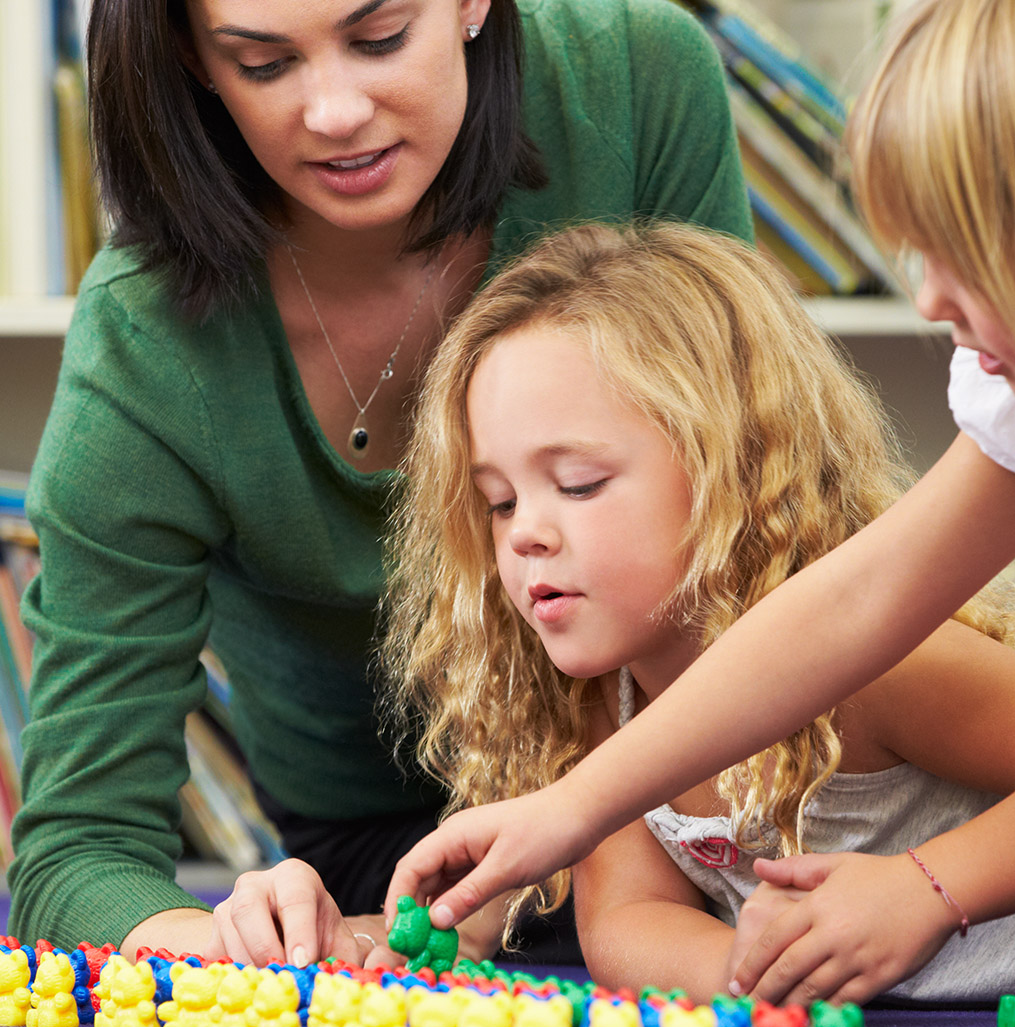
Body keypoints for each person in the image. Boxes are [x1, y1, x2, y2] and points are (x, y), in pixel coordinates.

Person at [386, 0, 1015, 1027]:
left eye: (966, 254)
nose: (925, 297)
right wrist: (567, 809)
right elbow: (856, 604)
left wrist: (954, 900)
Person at [6, 0, 752, 970]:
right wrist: (227, 944)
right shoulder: (145, 345)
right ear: (193, 60)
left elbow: (763, 511)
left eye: (380, 37)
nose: (334, 112)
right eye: (263, 64)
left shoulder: (635, 80)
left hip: (704, 804)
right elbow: (77, 849)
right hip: (391, 867)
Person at [379, 220, 1015, 1007]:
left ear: (735, 471)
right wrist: (763, 969)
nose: (525, 535)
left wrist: (926, 888)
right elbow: (628, 919)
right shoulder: (608, 705)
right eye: (498, 502)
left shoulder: (875, 672)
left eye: (581, 483)